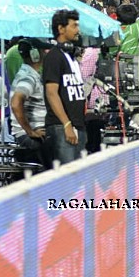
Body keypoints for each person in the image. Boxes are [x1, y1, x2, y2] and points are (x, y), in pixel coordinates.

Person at [44, 10, 87, 164]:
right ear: (61, 29)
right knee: (67, 182)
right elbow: (51, 93)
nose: (78, 30)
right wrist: (66, 124)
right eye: (74, 26)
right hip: (61, 127)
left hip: (77, 125)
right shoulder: (54, 57)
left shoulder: (71, 56)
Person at [9, 39, 48, 167]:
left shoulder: (31, 74)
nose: (46, 53)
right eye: (43, 50)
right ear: (35, 54)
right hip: (30, 136)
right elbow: (16, 102)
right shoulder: (28, 77)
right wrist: (30, 131)